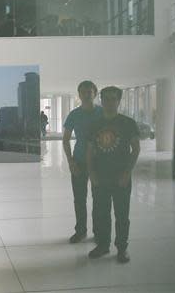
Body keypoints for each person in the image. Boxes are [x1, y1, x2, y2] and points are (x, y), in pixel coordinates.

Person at [87, 86, 140, 263]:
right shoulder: (94, 124)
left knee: (122, 214)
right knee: (101, 213)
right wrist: (92, 174)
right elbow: (89, 152)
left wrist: (127, 172)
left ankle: (122, 248)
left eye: (113, 98)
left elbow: (136, 149)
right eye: (106, 99)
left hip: (121, 177)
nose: (110, 102)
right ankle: (103, 245)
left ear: (119, 101)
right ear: (101, 101)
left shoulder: (128, 123)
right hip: (100, 177)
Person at [63, 81, 103, 244]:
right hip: (79, 161)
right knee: (79, 198)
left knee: (99, 198)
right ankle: (80, 231)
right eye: (83, 92)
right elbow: (65, 140)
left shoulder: (102, 113)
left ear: (95, 93)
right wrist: (70, 161)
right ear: (79, 95)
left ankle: (99, 232)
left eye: (89, 92)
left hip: (99, 162)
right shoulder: (74, 114)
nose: (87, 95)